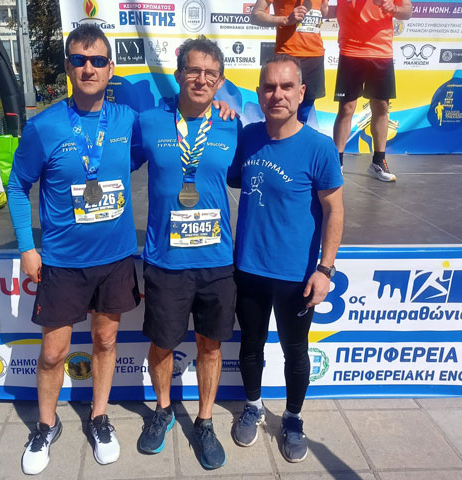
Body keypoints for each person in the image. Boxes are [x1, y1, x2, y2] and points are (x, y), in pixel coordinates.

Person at [7, 25, 139, 475]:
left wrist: (219, 106)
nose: (89, 68)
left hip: (115, 258)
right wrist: (28, 247)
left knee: (106, 341)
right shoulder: (44, 126)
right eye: (79, 60)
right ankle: (46, 425)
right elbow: (17, 186)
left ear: (110, 68)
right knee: (52, 353)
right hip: (62, 262)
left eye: (98, 60)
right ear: (67, 66)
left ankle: (99, 418)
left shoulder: (127, 120)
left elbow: (174, 123)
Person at [228, 55, 343, 463]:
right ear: (259, 94)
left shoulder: (319, 147)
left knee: (295, 352)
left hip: (296, 275)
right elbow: (230, 174)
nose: (277, 94)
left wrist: (325, 269)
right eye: (269, 87)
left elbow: (335, 211)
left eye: (286, 86)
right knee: (251, 346)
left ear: (301, 92)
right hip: (248, 269)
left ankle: (293, 418)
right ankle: (253, 406)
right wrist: (220, 112)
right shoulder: (248, 137)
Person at [132, 36, 241, 470]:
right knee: (162, 344)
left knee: (210, 348)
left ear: (220, 81)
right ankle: (163, 411)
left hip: (217, 262)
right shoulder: (149, 122)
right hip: (166, 261)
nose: (201, 79)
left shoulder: (232, 125)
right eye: (193, 70)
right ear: (179, 75)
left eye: (210, 74)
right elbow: (114, 164)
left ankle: (205, 420)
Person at [332, 0, 412, 180]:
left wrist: (394, 8)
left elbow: (407, 12)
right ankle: (337, 163)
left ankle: (378, 162)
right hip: (350, 50)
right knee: (346, 108)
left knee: (381, 107)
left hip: (381, 52)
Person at [251, 0, 329, 123]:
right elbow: (256, 16)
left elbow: (323, 12)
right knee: (280, 112)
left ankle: (298, 135)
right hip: (287, 55)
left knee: (304, 113)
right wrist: (286, 20)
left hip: (315, 55)